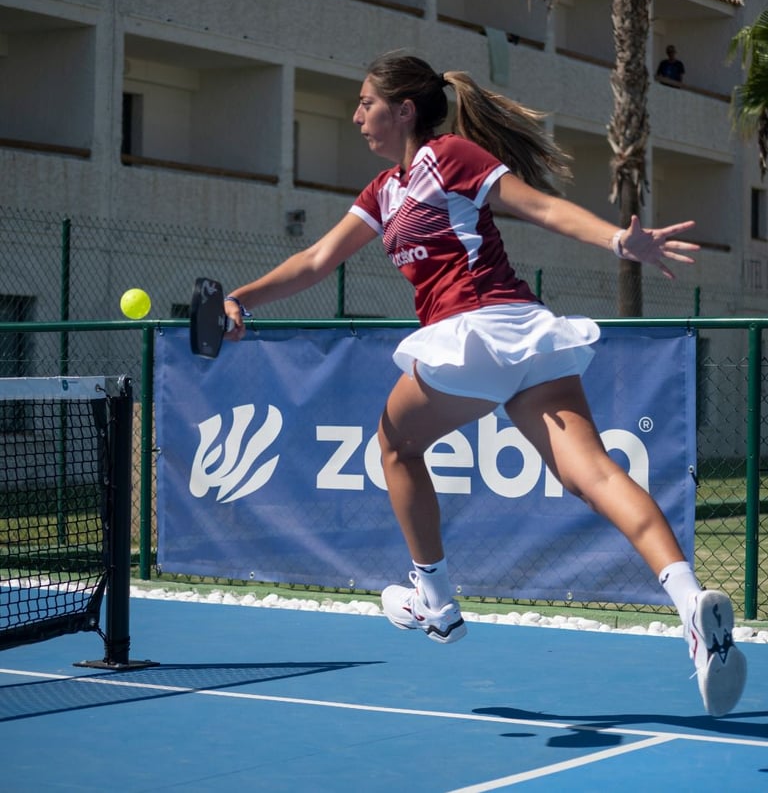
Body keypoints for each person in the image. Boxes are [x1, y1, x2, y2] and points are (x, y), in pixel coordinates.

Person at [223, 52, 746, 717]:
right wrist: (240, 298)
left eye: (366, 103)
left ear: (403, 110)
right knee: (592, 474)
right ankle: (690, 606)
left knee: (395, 445)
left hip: (476, 333)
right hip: (526, 340)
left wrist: (621, 241)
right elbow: (316, 259)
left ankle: (435, 598)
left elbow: (541, 207)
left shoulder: (449, 156)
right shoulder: (383, 191)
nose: (357, 116)